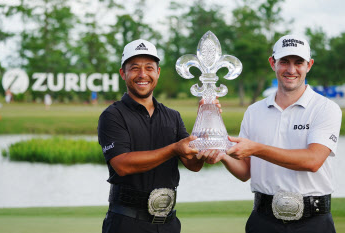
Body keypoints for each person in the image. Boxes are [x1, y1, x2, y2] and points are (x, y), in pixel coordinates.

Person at [200, 35, 342, 233]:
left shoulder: (326, 109)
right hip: (263, 220)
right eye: (284, 62)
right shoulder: (254, 111)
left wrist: (256, 149)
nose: (291, 70)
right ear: (272, 63)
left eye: (298, 62)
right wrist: (223, 153)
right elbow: (245, 172)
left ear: (309, 65)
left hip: (313, 222)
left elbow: (313, 160)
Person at [98, 39, 211, 233]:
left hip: (168, 223)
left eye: (149, 68)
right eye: (134, 68)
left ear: (157, 72)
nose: (143, 74)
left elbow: (193, 164)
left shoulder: (172, 116)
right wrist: (174, 148)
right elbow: (123, 165)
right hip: (126, 222)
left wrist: (205, 129)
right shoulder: (112, 115)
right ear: (123, 73)